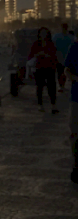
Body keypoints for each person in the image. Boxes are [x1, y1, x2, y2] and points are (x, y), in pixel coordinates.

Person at [29, 27, 59, 114]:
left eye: (45, 33)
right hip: (39, 68)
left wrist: (46, 55)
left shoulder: (51, 44)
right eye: (42, 33)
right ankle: (40, 105)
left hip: (50, 67)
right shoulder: (36, 44)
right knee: (39, 87)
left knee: (52, 87)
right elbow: (31, 55)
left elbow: (54, 55)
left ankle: (53, 105)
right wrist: (38, 54)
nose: (43, 35)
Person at [62, 41, 78, 183]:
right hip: (77, 97)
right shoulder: (75, 47)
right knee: (75, 133)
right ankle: (76, 166)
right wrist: (74, 78)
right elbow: (67, 70)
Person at [53, 23, 74, 93]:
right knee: (61, 72)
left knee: (62, 72)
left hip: (63, 57)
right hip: (61, 57)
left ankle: (61, 86)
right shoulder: (70, 37)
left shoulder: (57, 36)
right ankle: (61, 86)